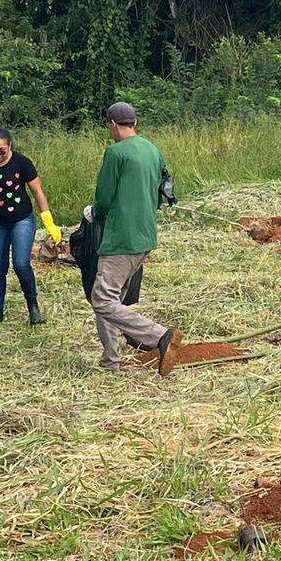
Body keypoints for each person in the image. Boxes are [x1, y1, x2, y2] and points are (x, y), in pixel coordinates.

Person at [88, 101, 182, 375]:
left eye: (108, 127)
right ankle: (111, 361)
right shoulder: (152, 150)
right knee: (111, 299)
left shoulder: (115, 153)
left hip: (122, 237)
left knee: (103, 300)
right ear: (135, 124)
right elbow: (160, 193)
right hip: (145, 234)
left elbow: (104, 198)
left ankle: (159, 336)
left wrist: (93, 213)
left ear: (113, 125)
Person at [0, 126, 61, 326]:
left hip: (21, 220)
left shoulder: (21, 163)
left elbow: (37, 192)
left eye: (2, 151)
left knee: (20, 264)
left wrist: (48, 221)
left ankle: (33, 306)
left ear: (10, 146)